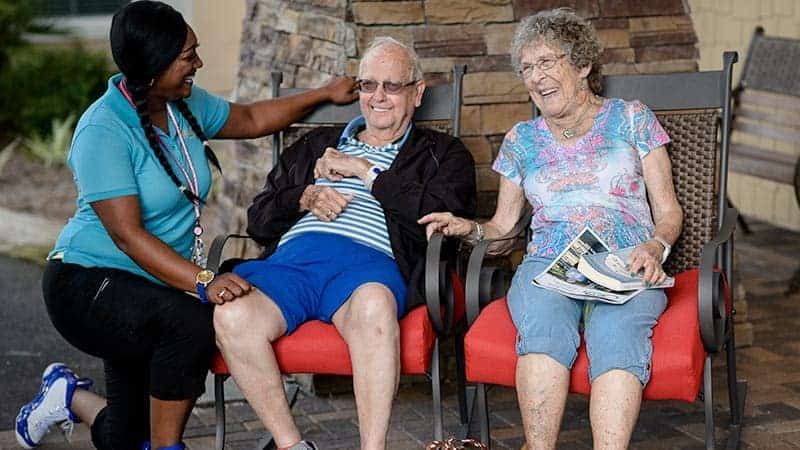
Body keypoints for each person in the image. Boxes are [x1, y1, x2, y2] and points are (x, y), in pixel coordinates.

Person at [14, 2, 358, 450]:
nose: (198, 63)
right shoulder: (103, 129)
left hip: (149, 288)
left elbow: (252, 119)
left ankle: (68, 395)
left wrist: (322, 94)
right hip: (87, 285)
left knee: (125, 436)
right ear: (154, 65)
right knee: (192, 323)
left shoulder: (181, 105)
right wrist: (203, 280)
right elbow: (126, 235)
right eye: (187, 55)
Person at [419, 9, 683, 450]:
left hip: (627, 261)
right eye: (526, 68)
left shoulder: (632, 119)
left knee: (617, 337)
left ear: (581, 65)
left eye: (546, 62)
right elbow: (503, 228)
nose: (535, 77)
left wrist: (655, 247)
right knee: (543, 330)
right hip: (549, 265)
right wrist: (468, 228)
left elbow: (670, 212)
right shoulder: (522, 140)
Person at [212, 37, 476, 450]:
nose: (378, 97)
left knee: (374, 307)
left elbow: (439, 213)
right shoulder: (316, 146)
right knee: (232, 316)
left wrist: (363, 169)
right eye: (369, 85)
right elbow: (260, 220)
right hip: (292, 265)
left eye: (392, 86)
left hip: (369, 268)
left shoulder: (443, 153)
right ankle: (292, 445)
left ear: (417, 92)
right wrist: (304, 196)